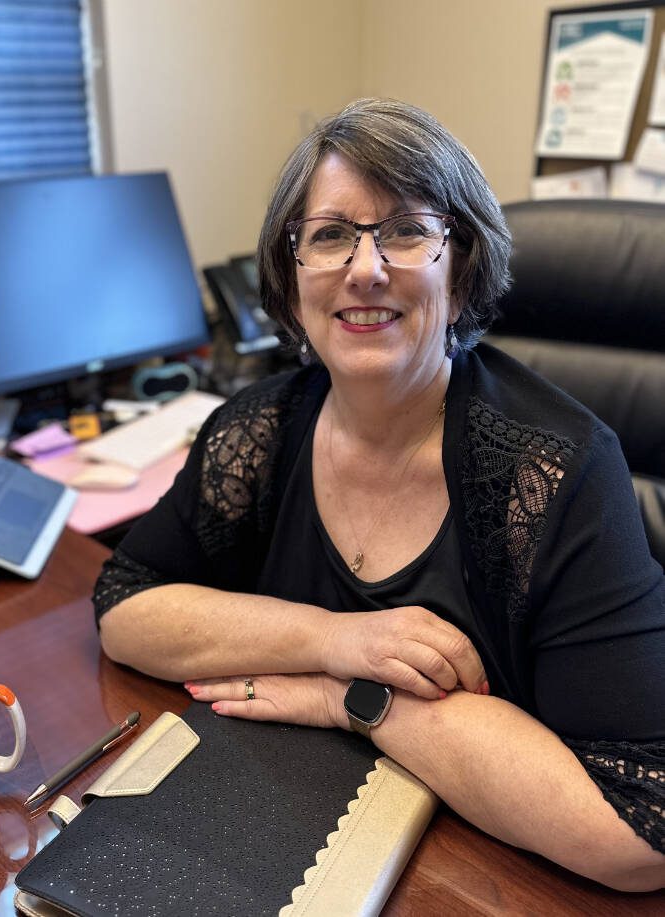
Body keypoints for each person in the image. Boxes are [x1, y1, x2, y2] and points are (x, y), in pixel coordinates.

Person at [92, 99, 664, 892]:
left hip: (481, 877)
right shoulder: (256, 432)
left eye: (405, 231)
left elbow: (642, 829)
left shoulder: (556, 472)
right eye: (330, 235)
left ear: (460, 276)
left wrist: (354, 698)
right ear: (292, 281)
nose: (364, 268)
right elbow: (125, 605)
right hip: (282, 831)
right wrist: (338, 640)